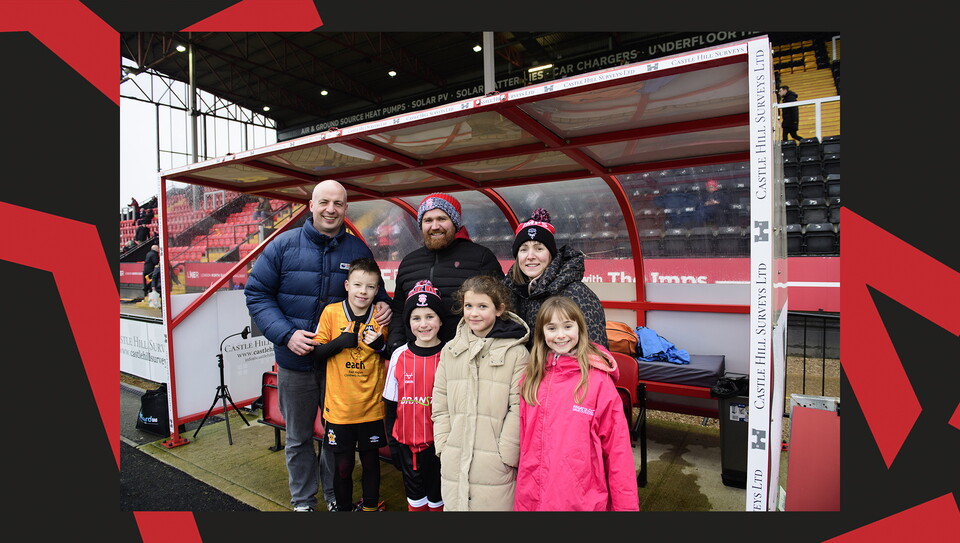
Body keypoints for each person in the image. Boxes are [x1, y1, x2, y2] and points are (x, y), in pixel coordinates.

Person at [244, 179, 393, 513]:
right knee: (297, 437)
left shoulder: (356, 249)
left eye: (338, 204)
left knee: (333, 437)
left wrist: (383, 303)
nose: (330, 209)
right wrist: (286, 334)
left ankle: (334, 495)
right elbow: (256, 294)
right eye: (324, 202)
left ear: (345, 209)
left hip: (339, 365)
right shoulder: (283, 245)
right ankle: (302, 501)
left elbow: (373, 289)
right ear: (311, 205)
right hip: (294, 361)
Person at [514, 296, 639, 511]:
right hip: (532, 496)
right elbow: (524, 443)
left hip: (580, 499)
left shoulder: (598, 381)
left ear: (580, 328)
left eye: (567, 326)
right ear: (542, 334)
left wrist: (625, 507)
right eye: (551, 328)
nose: (560, 335)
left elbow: (618, 451)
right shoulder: (532, 377)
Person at [431, 275, 530, 511]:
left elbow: (519, 408)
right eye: (468, 306)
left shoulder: (516, 354)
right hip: (454, 457)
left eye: (482, 306)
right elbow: (440, 400)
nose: (474, 313)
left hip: (495, 465)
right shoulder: (451, 351)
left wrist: (506, 454)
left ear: (499, 309)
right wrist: (444, 444)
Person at [311, 257, 389, 512]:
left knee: (370, 462)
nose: (363, 292)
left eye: (369, 287)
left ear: (377, 290)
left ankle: (369, 507)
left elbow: (392, 354)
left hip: (371, 408)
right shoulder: (331, 313)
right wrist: (339, 342)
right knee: (343, 466)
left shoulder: (381, 317)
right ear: (347, 285)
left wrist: (380, 346)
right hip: (340, 409)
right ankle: (343, 509)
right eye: (358, 285)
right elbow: (316, 354)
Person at [386, 192, 503, 353]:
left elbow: (500, 307)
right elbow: (399, 310)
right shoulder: (408, 262)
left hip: (466, 357)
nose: (434, 226)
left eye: (442, 219)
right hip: (418, 358)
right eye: (428, 220)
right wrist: (396, 344)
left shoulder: (481, 257)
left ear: (455, 222)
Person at [503, 208, 608, 349]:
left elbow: (596, 353)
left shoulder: (577, 293)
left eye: (539, 248)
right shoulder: (508, 291)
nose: (530, 256)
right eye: (523, 249)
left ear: (551, 254)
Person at [382, 280, 446, 512]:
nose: (423, 324)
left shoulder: (449, 354)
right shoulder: (400, 355)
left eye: (430, 316)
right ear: (408, 322)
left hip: (439, 449)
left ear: (440, 320)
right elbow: (390, 406)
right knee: (415, 503)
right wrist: (393, 446)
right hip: (406, 447)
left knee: (438, 503)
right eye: (416, 318)